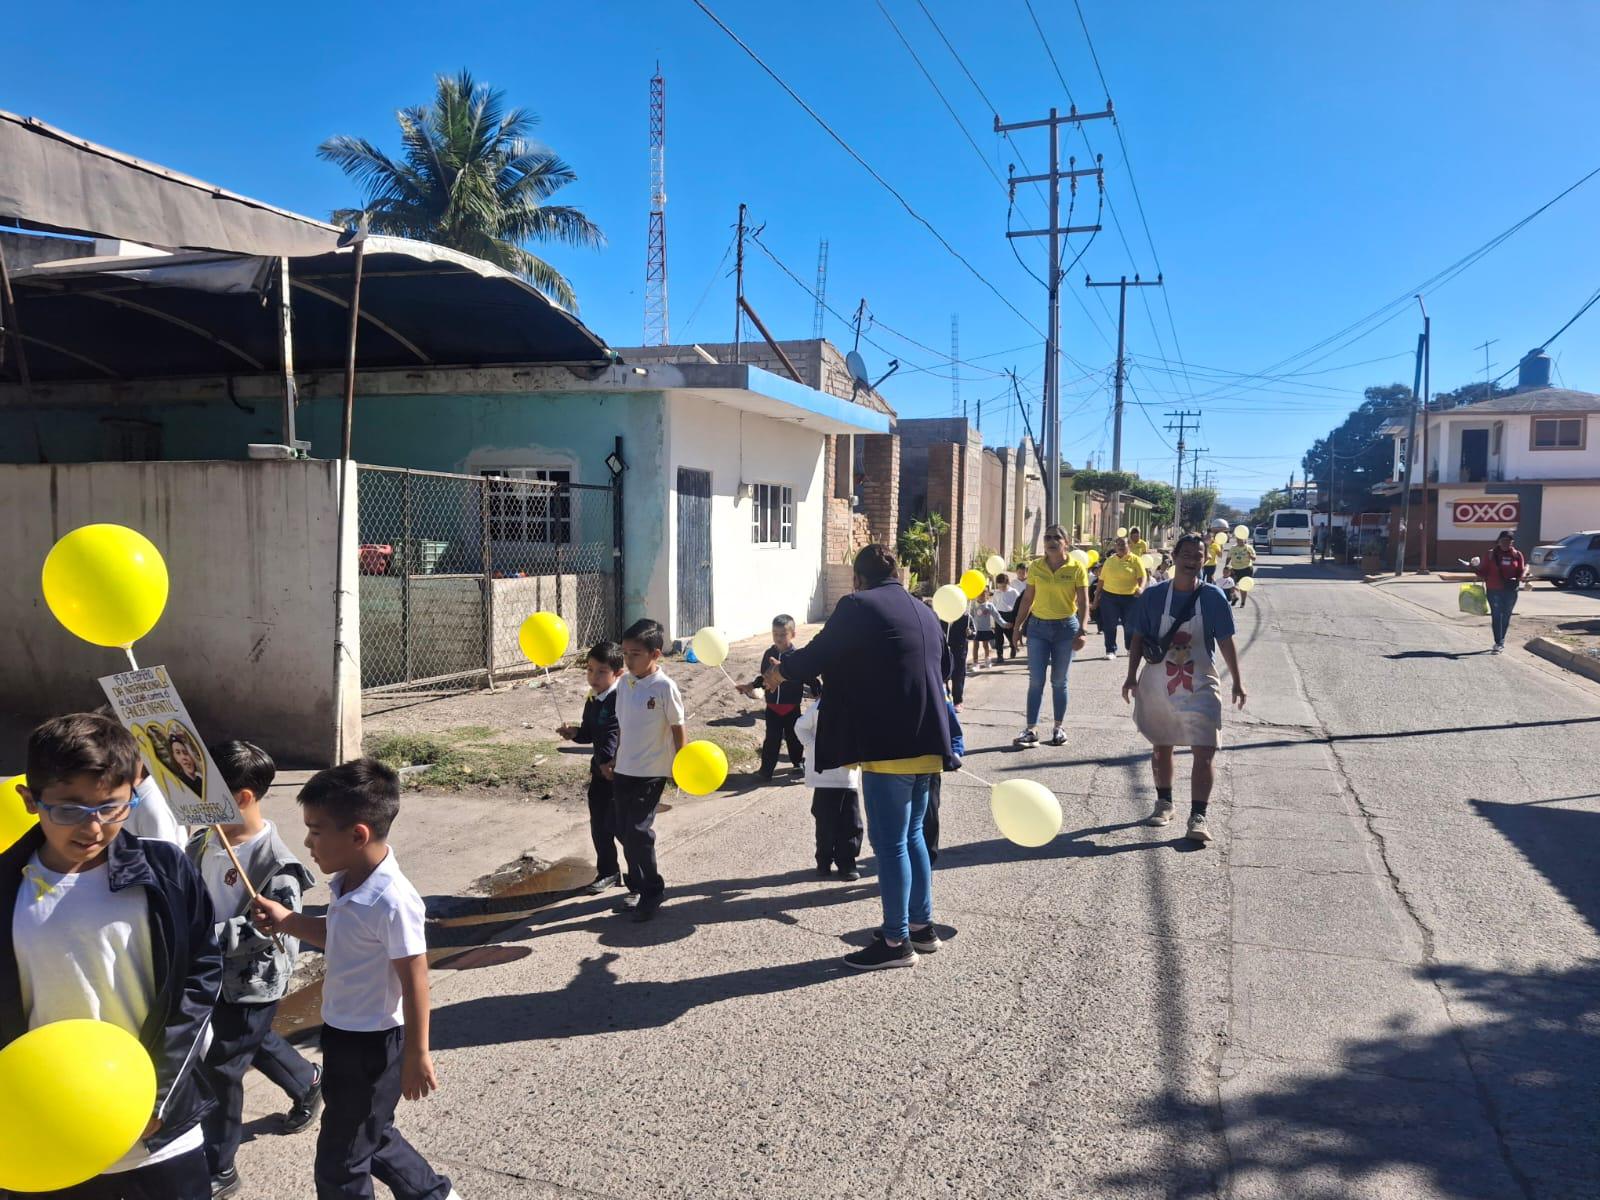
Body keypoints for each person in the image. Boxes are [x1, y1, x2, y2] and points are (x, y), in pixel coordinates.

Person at [0, 713, 222, 1199]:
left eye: (111, 807)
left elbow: (200, 977)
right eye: (69, 810)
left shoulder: (165, 870)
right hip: (51, 1132)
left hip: (158, 1131)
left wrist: (158, 1094)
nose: (93, 826)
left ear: (133, 794)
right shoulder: (7, 886)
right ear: (30, 800)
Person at [251, 759, 460, 1200]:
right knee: (372, 1134)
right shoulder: (348, 881)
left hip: (374, 1047)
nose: (307, 842)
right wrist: (287, 919)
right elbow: (337, 935)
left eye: (315, 831)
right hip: (342, 1033)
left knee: (340, 1164)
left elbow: (415, 981)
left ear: (358, 835)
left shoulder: (391, 901)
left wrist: (417, 1054)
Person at [765, 544, 951, 970]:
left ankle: (896, 942)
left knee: (889, 843)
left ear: (857, 579)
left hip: (890, 744)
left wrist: (781, 670)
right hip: (929, 741)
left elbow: (817, 654)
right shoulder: (924, 610)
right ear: (898, 575)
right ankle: (922, 927)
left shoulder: (857, 605)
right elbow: (945, 666)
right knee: (913, 835)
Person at [189, 741, 320, 1199]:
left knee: (223, 1067)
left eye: (206, 791)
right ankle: (308, 1081)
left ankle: (219, 1165)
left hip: (252, 983)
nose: (195, 799)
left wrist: (205, 937)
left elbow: (268, 930)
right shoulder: (203, 840)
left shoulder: (276, 864)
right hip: (209, 975)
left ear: (243, 797)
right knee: (251, 1039)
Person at [1122, 535, 1247, 845]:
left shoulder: (1213, 597)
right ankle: (1164, 803)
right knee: (1161, 744)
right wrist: (1131, 676)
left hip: (1200, 682)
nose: (1192, 559)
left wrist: (1238, 680)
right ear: (1175, 557)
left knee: (1205, 749)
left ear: (1205, 559)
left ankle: (1198, 816)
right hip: (1159, 683)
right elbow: (1138, 637)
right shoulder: (1153, 597)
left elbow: (1225, 640)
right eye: (1186, 553)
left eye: (1198, 554)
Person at [610, 618, 686, 922]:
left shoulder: (665, 687)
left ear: (655, 654)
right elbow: (622, 724)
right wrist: (614, 757)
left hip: (651, 771)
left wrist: (680, 763)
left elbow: (678, 726)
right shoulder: (624, 683)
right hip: (624, 768)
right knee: (622, 829)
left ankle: (652, 889)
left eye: (635, 654)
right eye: (625, 653)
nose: (628, 660)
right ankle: (637, 884)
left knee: (638, 831)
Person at [1009, 525, 1089, 748]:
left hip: (1066, 629)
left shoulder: (1076, 568)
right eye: (1047, 537)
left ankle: (1058, 728)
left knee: (1059, 681)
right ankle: (1031, 730)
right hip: (1038, 629)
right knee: (1036, 680)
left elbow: (1084, 602)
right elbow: (1028, 599)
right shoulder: (1036, 567)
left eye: (1056, 537)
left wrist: (1082, 630)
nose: (1051, 541)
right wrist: (1017, 627)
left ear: (1066, 542)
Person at [557, 641, 623, 894]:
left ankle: (641, 882)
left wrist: (613, 762)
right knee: (599, 825)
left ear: (618, 673)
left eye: (601, 671)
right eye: (590, 670)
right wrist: (575, 732)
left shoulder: (623, 698)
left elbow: (622, 734)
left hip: (621, 774)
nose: (593, 677)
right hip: (600, 772)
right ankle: (608, 872)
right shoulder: (593, 697)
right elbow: (590, 732)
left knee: (624, 829)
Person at [794, 698, 863, 880]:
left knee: (851, 823)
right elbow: (800, 727)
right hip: (824, 778)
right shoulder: (820, 705)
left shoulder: (857, 702)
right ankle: (823, 862)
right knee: (825, 823)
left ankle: (847, 862)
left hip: (847, 777)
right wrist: (812, 745)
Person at [736, 615, 808, 780]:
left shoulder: (797, 657)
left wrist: (818, 691)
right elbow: (763, 678)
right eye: (775, 634)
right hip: (773, 708)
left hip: (792, 708)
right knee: (771, 740)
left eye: (783, 634)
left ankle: (798, 764)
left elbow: (806, 677)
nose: (778, 638)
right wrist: (749, 687)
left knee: (794, 738)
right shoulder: (769, 654)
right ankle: (766, 770)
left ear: (793, 635)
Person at [922, 700, 964, 865]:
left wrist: (955, 753)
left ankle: (927, 861)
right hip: (895, 768)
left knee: (929, 816)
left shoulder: (939, 697)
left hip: (929, 768)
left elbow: (954, 731)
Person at [1095, 535, 1148, 660]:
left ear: (1129, 545)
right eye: (1118, 544)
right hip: (1109, 597)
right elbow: (1101, 580)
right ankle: (1110, 650)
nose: (1120, 547)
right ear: (1115, 547)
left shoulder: (1135, 560)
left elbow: (1142, 577)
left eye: (1123, 544)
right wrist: (1096, 597)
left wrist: (1141, 588)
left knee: (1129, 625)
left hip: (1130, 597)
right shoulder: (1109, 561)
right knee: (1109, 625)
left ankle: (1130, 648)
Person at [1476, 530, 1526, 653]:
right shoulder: (1490, 554)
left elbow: (1521, 571)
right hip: (1494, 589)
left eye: (1508, 541)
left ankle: (1501, 639)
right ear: (1498, 541)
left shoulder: (1517, 555)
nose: (1505, 543)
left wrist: (1523, 576)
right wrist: (1473, 567)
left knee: (1506, 615)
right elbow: (1483, 571)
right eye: (1503, 541)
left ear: (1512, 542)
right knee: (1497, 615)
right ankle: (1499, 642)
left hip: (1511, 590)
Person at [943, 603, 971, 710]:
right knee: (944, 674)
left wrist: (970, 632)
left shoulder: (966, 617)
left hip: (960, 650)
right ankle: (946, 697)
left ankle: (958, 701)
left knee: (958, 676)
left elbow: (973, 632)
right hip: (945, 649)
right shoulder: (942, 615)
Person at [1220, 531, 1257, 608]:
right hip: (1234, 570)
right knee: (1230, 585)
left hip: (1246, 569)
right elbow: (1228, 558)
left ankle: (1243, 603)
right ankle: (1235, 597)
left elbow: (1254, 558)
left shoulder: (1249, 548)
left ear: (1244, 540)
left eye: (1241, 539)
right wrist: (1226, 567)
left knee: (1243, 587)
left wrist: (1250, 555)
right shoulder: (1233, 548)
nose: (1239, 541)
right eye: (1238, 539)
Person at [970, 589, 1001, 670]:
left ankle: (987, 660)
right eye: (979, 595)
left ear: (986, 596)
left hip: (985, 628)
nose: (981, 597)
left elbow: (996, 615)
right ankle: (975, 663)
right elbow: (971, 615)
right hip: (976, 629)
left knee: (985, 645)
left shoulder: (989, 605)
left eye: (983, 596)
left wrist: (1003, 624)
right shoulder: (973, 604)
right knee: (975, 646)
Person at [991, 572, 1017, 663]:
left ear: (1007, 583)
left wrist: (1015, 618)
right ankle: (1000, 655)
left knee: (1010, 635)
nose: (1001, 588)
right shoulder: (996, 593)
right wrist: (993, 621)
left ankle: (1013, 646)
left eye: (1003, 586)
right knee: (998, 636)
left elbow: (1018, 605)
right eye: (999, 586)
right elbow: (993, 605)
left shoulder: (1013, 592)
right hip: (999, 615)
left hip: (1009, 615)